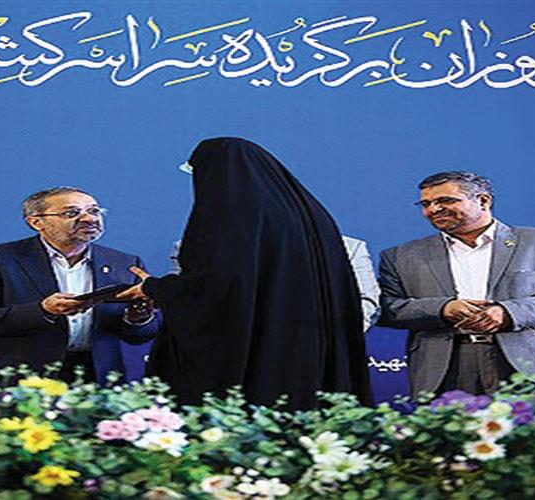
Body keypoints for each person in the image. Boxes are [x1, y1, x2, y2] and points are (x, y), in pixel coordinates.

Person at [119, 137, 372, 410]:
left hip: (257, 367)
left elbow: (219, 289)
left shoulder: (234, 218)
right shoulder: (313, 219)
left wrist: (155, 288)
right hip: (312, 362)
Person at [378, 171, 535, 396]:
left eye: (445, 200)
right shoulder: (400, 256)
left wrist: (510, 312)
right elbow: (387, 308)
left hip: (531, 366)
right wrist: (443, 308)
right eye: (426, 204)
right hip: (443, 370)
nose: (433, 209)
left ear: (483, 200)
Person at [0, 187, 160, 391]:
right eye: (72, 213)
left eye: (94, 211)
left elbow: (140, 335)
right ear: (36, 222)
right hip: (18, 379)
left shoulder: (125, 263)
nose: (89, 219)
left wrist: (138, 318)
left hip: (97, 380)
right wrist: (44, 311)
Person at [168, 235, 381, 332]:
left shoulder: (346, 247)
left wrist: (322, 341)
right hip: (223, 361)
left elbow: (365, 304)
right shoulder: (189, 247)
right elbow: (182, 309)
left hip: (314, 361)